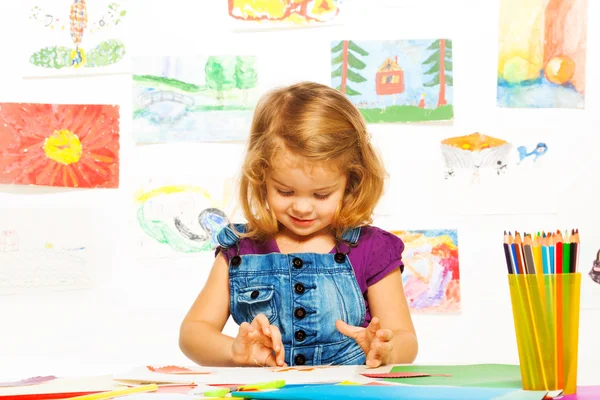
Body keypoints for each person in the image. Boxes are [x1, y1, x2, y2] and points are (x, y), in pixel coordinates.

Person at [179, 81, 417, 368]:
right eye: (285, 191)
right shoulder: (240, 250)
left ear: (351, 183)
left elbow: (405, 338)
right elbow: (193, 333)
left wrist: (387, 350)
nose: (302, 207)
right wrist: (234, 351)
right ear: (261, 176)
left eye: (321, 194)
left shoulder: (371, 249)